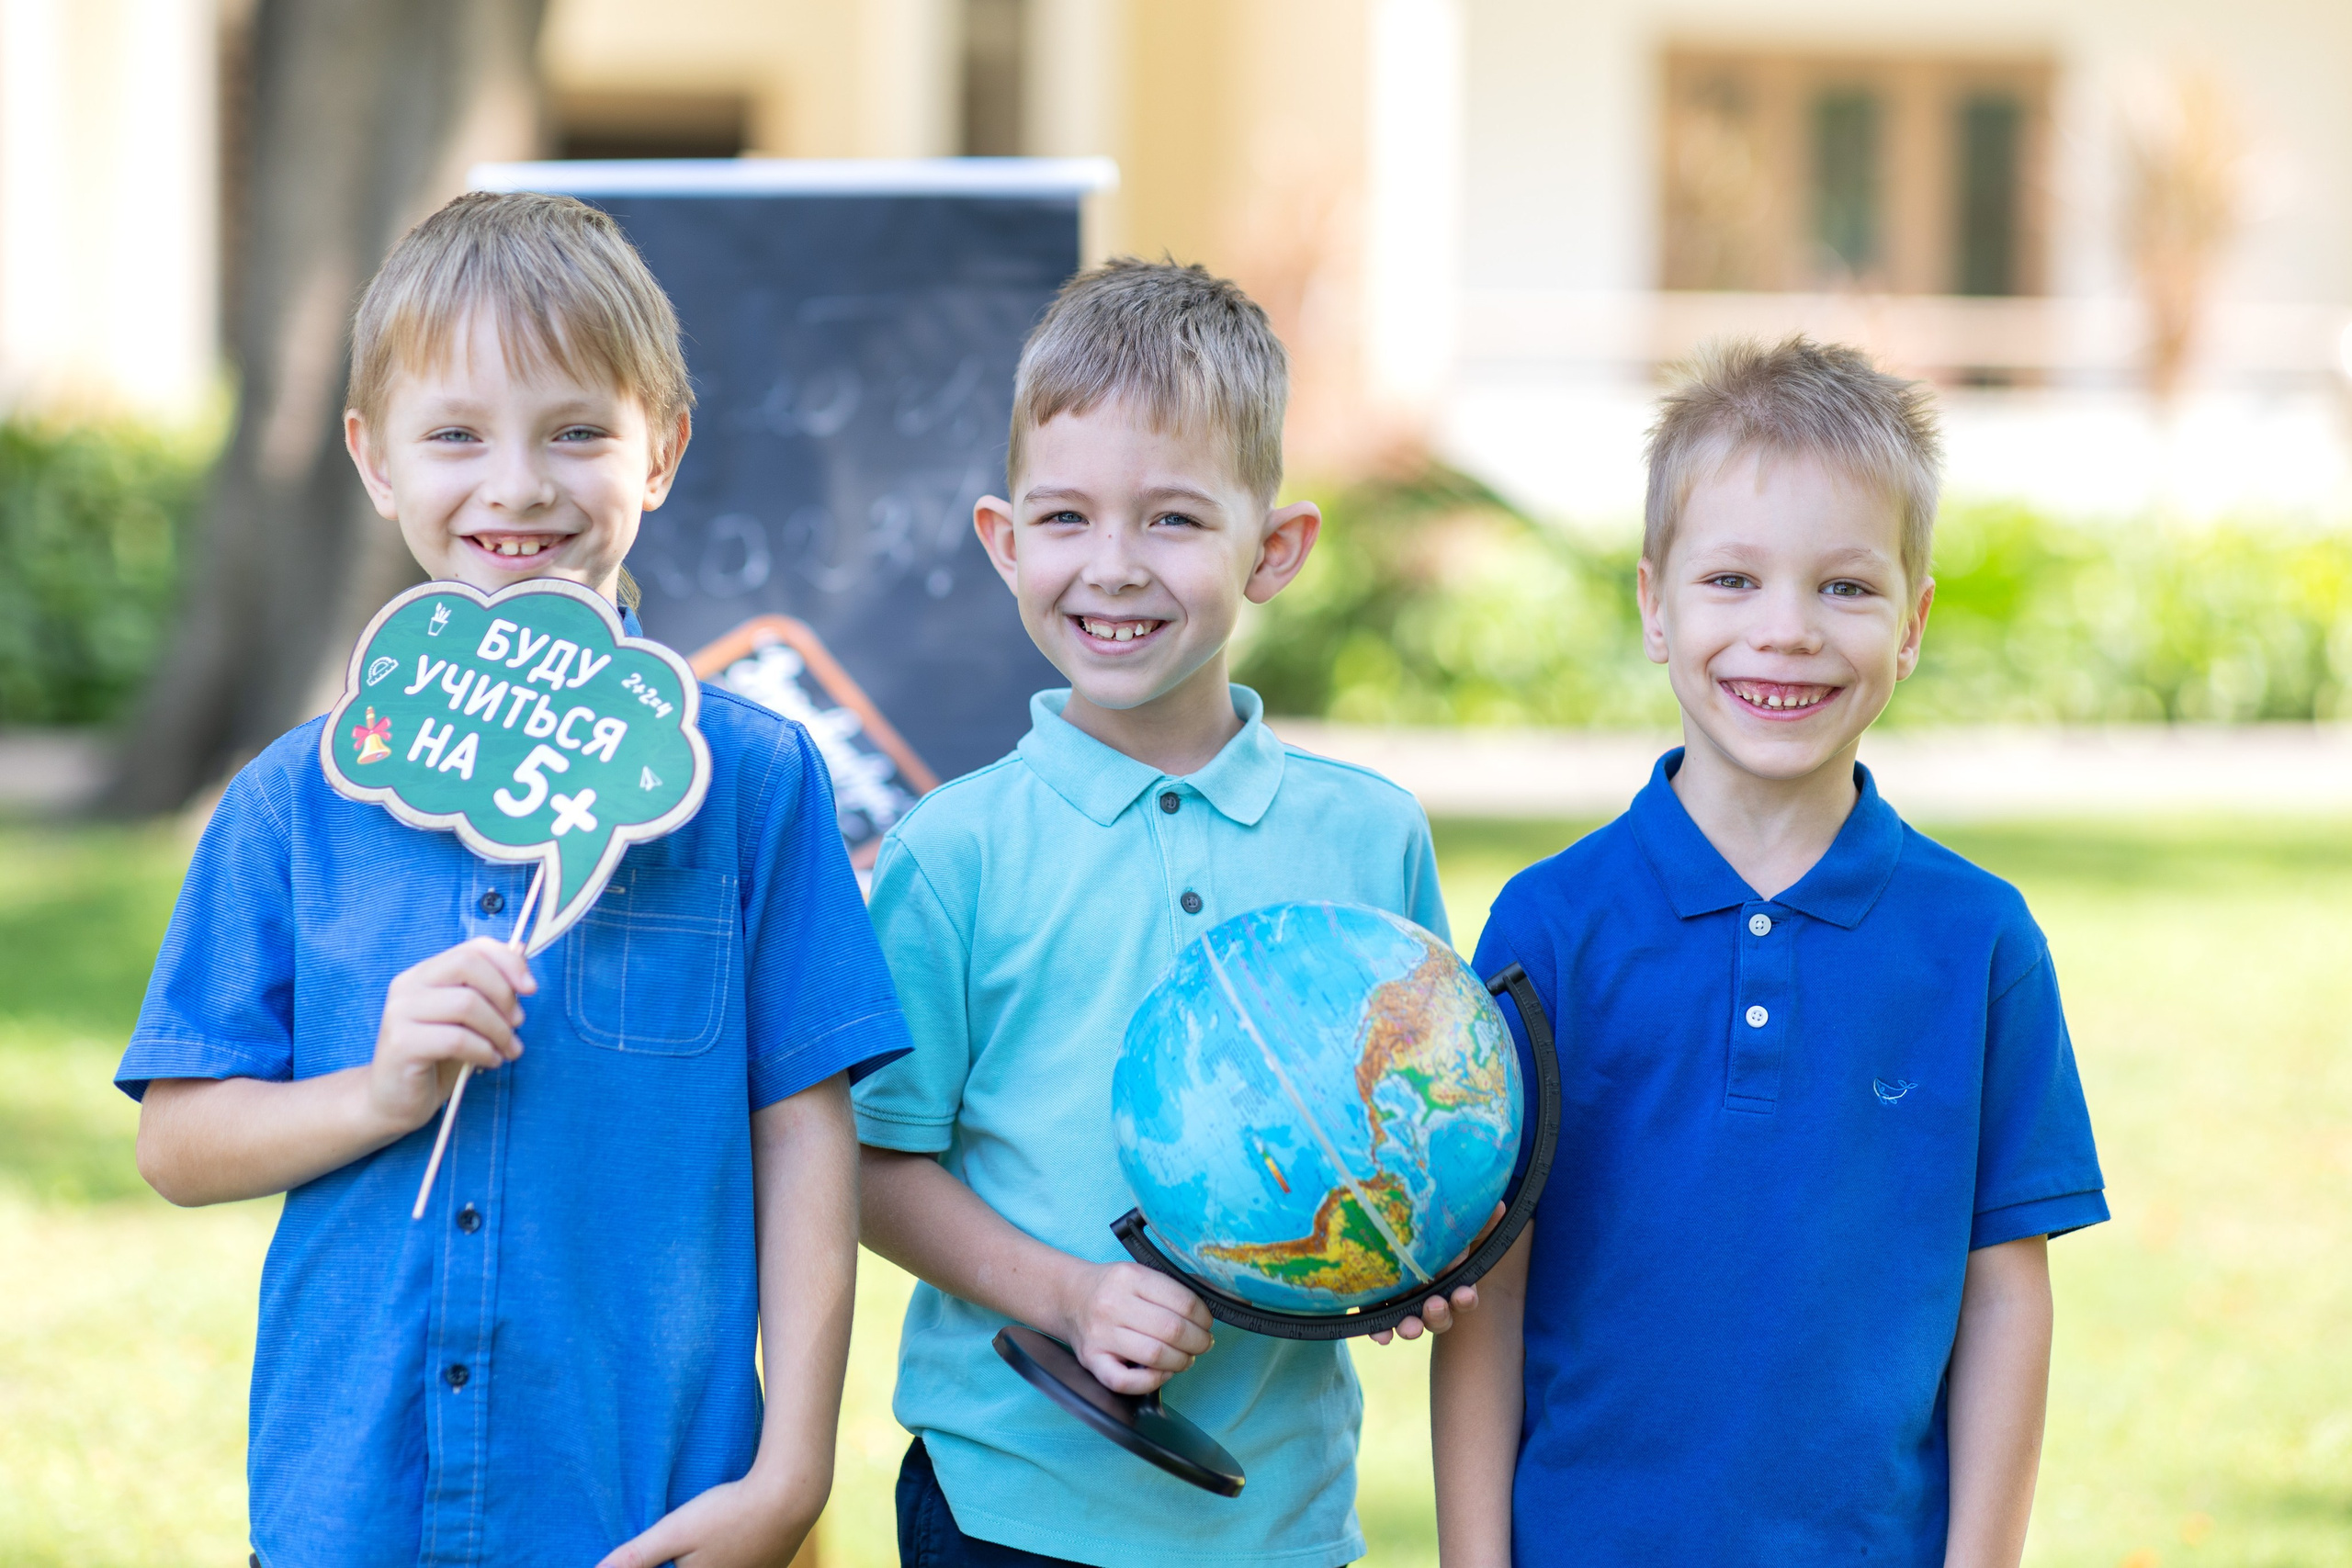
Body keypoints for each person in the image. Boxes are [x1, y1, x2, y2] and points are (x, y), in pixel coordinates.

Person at [119, 191, 910, 1568]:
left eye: (577, 432)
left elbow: (803, 1132)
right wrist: (377, 1091)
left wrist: (792, 1475)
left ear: (663, 450)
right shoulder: (291, 803)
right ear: (374, 460)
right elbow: (178, 1146)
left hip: (645, 1502)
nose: (520, 486)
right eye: (455, 436)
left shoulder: (753, 783)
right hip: (354, 1508)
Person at [1430, 336, 2109, 1567]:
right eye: (1733, 580)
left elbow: (2007, 1290)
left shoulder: (1980, 943)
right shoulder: (1550, 927)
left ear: (1913, 622)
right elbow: (1495, 1290)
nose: (1785, 632)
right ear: (1655, 605)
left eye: (1844, 588)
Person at [853, 257, 1478, 1568]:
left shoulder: (1371, 836)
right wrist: (1072, 1295)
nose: (1114, 568)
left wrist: (1412, 1254)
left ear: (1276, 550)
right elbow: (871, 1166)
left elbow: (1427, 1111)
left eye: (1176, 520)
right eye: (1066, 518)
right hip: (1007, 1500)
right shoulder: (954, 852)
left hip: (1280, 1517)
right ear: (1005, 542)